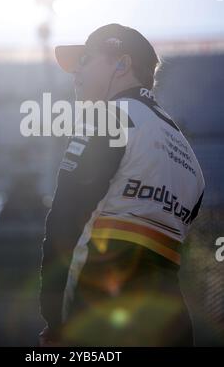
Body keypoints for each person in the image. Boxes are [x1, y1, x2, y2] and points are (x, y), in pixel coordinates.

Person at [38, 23, 205, 347]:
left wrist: (56, 323)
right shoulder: (188, 155)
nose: (76, 73)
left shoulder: (108, 118)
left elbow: (65, 224)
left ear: (122, 64)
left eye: (85, 59)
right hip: (173, 327)